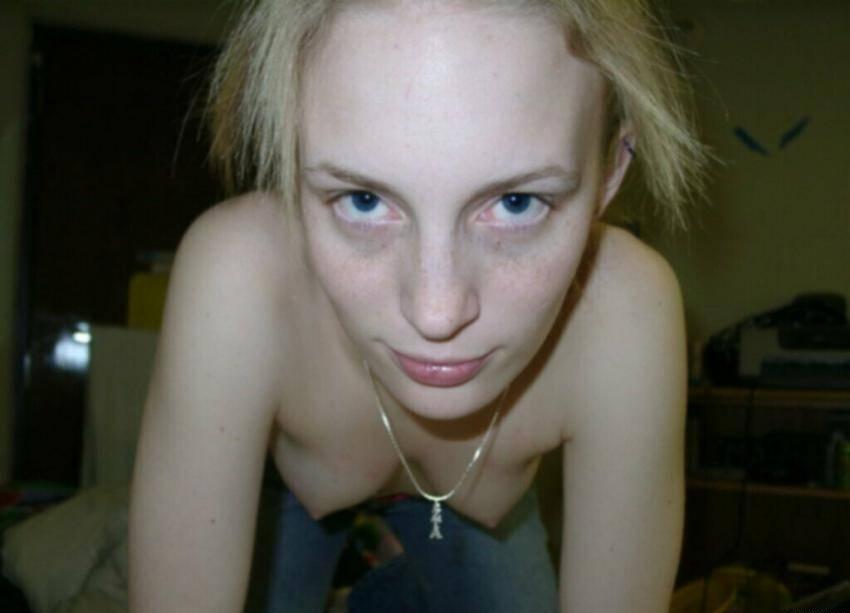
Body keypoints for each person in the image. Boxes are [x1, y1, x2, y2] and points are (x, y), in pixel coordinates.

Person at [128, 0, 708, 611]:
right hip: (288, 490)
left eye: (516, 202)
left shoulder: (625, 313)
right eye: (362, 199)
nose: (437, 315)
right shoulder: (239, 275)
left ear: (610, 171)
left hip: (476, 513)